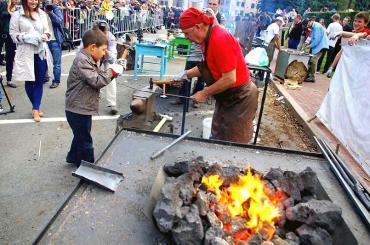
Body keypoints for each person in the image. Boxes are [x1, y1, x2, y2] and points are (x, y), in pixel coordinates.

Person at [175, 8, 258, 143]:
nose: (186, 38)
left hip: (240, 97)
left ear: (197, 27)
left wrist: (204, 93)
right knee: (219, 135)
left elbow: (230, 78)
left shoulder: (220, 38)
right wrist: (185, 75)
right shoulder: (204, 40)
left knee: (233, 141)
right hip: (226, 95)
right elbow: (207, 66)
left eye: (186, 33)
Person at [65, 29, 125, 166]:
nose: (105, 53)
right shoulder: (82, 61)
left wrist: (114, 66)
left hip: (81, 107)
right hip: (77, 109)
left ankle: (73, 157)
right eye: (103, 50)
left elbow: (104, 65)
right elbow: (96, 81)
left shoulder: (89, 58)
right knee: (85, 140)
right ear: (92, 47)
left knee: (81, 135)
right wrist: (113, 71)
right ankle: (89, 168)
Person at [9, 0, 54, 122]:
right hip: (25, 53)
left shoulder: (42, 14)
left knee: (39, 81)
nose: (34, 1)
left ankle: (35, 108)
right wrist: (30, 38)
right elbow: (13, 35)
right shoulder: (17, 15)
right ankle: (36, 107)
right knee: (29, 81)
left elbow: (48, 31)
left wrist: (46, 36)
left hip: (40, 52)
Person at [325, 12, 370, 77]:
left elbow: (364, 34)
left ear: (365, 23)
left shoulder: (367, 32)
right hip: (347, 68)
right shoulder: (351, 33)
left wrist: (356, 35)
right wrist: (331, 67)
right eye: (355, 21)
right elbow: (341, 51)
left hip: (361, 72)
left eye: (359, 22)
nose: (356, 23)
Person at [44, 0, 64, 88]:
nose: (47, 3)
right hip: (44, 40)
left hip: (54, 40)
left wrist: (51, 13)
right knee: (43, 61)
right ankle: (44, 77)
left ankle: (56, 80)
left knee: (56, 63)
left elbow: (59, 21)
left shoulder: (56, 9)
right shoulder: (39, 11)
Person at [0, 0, 19, 88]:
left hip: (11, 36)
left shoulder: (17, 9)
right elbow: (1, 15)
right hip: (1, 34)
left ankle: (9, 80)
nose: (16, 1)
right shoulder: (4, 4)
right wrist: (9, 13)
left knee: (10, 58)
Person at [305, 17, 329, 82]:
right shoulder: (314, 26)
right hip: (318, 46)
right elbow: (312, 37)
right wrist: (308, 43)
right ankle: (308, 75)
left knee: (313, 60)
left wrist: (309, 46)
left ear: (310, 21)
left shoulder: (316, 27)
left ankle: (312, 77)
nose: (307, 26)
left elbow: (316, 40)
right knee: (310, 60)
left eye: (307, 23)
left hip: (322, 46)